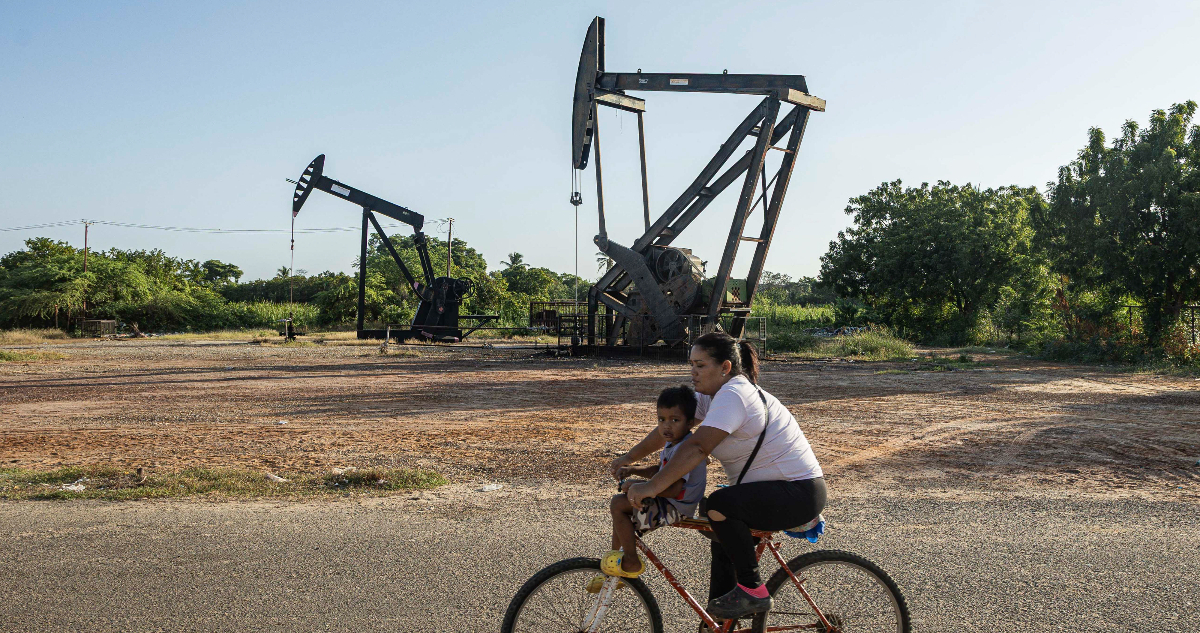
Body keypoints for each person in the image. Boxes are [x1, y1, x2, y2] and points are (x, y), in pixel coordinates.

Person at [610, 332, 825, 622]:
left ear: (725, 367)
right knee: (717, 524)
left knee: (720, 505)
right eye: (691, 365)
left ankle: (753, 589)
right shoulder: (712, 397)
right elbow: (672, 429)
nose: (693, 373)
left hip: (797, 492)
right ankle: (721, 620)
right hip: (775, 491)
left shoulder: (734, 394)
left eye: (700, 365)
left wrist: (652, 486)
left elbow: (698, 446)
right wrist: (629, 458)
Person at [589, 385, 707, 592]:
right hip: (671, 501)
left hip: (677, 506)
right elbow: (659, 472)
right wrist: (634, 470)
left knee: (618, 504)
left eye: (674, 420)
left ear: (690, 423)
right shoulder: (675, 443)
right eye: (661, 419)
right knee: (622, 508)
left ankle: (630, 562)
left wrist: (640, 486)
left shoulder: (686, 448)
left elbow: (674, 488)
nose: (666, 426)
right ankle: (615, 563)